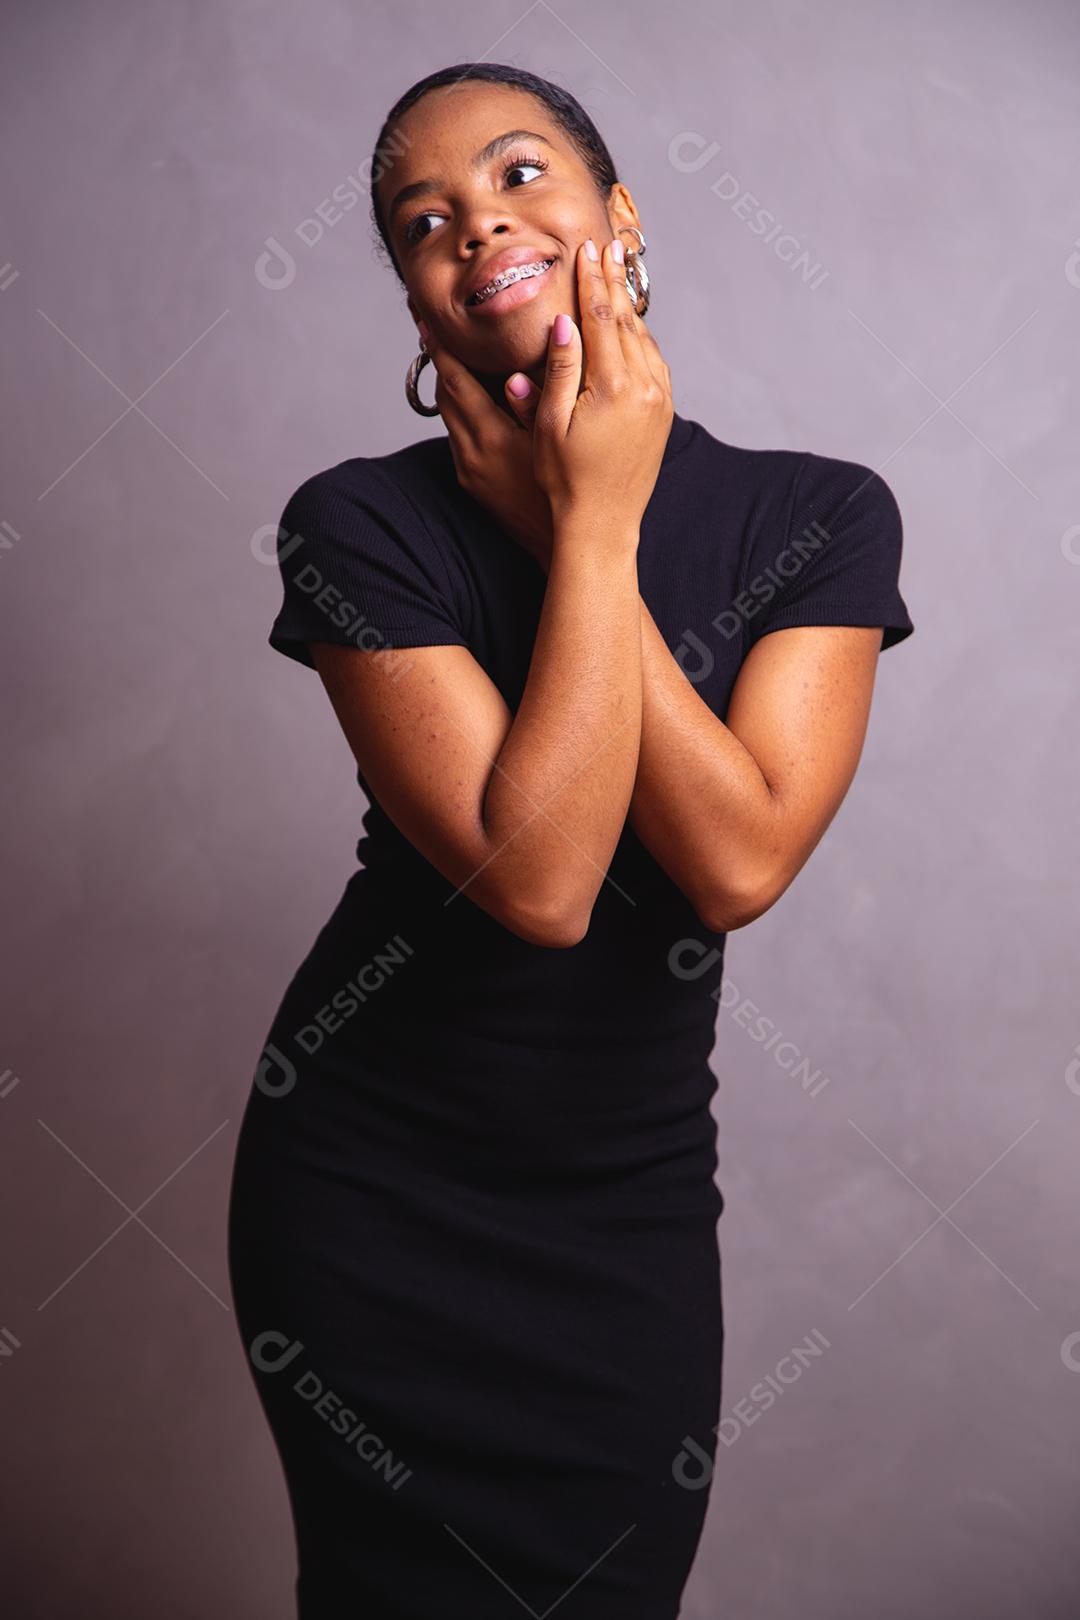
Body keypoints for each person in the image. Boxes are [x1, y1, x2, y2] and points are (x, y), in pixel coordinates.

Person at [226, 61, 915, 1620]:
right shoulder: (357, 526)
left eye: (521, 177)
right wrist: (589, 530)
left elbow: (736, 864)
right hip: (377, 1197)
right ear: (416, 304)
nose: (479, 228)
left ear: (622, 217)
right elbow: (535, 880)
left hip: (626, 1202)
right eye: (427, 222)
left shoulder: (818, 514)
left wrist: (566, 523)